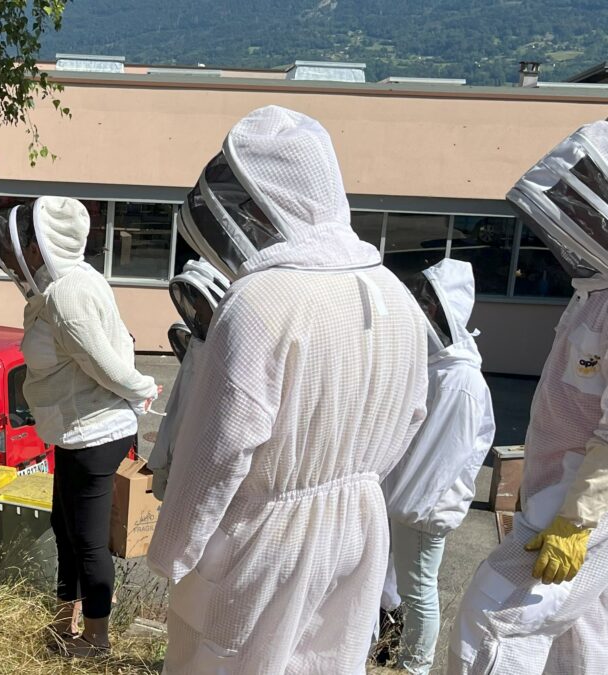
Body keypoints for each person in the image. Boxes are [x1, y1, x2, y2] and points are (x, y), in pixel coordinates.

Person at [146, 105, 428, 674]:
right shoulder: (395, 292)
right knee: (328, 661)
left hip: (266, 538)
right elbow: (414, 415)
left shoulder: (260, 301)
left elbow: (219, 451)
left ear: (259, 201)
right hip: (360, 526)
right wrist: (350, 478)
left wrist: (171, 550)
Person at [449, 120, 608, 674]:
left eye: (585, 205)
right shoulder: (595, 292)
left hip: (578, 508)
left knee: (494, 622)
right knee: (580, 638)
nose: (577, 221)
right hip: (557, 496)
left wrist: (577, 520)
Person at [0, 196, 159, 658]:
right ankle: (65, 624)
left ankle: (97, 640)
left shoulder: (70, 294)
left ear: (49, 242)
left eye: (30, 240)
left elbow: (106, 363)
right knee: (65, 528)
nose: (23, 249)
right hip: (73, 431)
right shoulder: (60, 289)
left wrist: (144, 388)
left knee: (87, 540)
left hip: (96, 432)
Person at [378, 259, 496, 674]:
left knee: (419, 590)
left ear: (445, 308)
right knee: (395, 584)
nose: (421, 307)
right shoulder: (439, 366)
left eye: (429, 300)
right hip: (404, 501)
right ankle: (388, 651)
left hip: (422, 509)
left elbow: (446, 455)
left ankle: (414, 666)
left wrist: (407, 504)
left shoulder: (460, 378)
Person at [148, 259, 229, 500]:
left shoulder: (226, 350)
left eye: (200, 300)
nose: (196, 307)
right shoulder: (199, 341)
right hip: (179, 456)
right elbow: (177, 407)